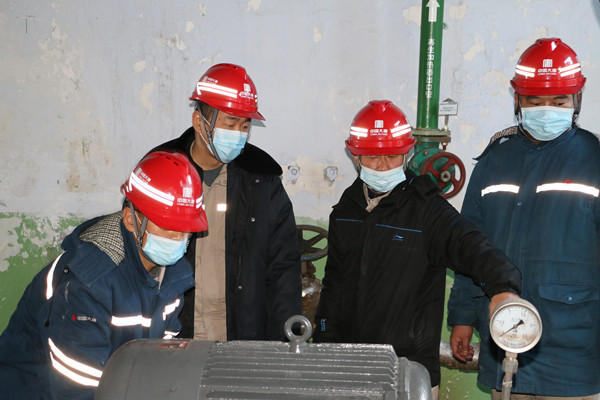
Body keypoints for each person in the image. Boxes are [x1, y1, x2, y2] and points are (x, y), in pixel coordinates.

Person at [312, 99, 522, 399]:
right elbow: (334, 282)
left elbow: (473, 247)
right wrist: (323, 337)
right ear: (355, 156)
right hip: (350, 365)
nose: (382, 166)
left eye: (392, 156)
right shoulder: (346, 210)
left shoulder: (428, 210)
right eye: (372, 157)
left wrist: (503, 287)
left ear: (407, 153)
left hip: (408, 369)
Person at [448, 37, 600, 399]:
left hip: (574, 352)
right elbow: (470, 247)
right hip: (504, 337)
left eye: (559, 101)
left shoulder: (594, 160)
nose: (546, 109)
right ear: (517, 100)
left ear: (576, 100)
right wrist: (462, 317)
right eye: (534, 100)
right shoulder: (494, 161)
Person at [0, 151, 208, 399]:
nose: (178, 239)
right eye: (167, 226)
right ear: (131, 220)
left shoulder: (174, 274)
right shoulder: (87, 283)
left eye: (185, 229)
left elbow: (155, 360)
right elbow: (77, 392)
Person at [151, 63, 302, 341]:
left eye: (244, 126)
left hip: (242, 335)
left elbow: (283, 269)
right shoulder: (160, 174)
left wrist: (283, 341)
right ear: (199, 122)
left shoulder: (262, 182)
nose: (238, 134)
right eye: (229, 124)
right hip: (176, 332)